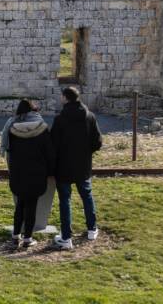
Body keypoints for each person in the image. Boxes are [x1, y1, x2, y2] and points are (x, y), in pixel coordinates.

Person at [51, 87, 103, 250]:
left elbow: (53, 144)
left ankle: (66, 237)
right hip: (83, 164)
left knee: (65, 200)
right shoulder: (89, 116)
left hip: (64, 166)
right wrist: (86, 152)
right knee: (86, 196)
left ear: (65, 98)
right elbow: (97, 142)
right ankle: (91, 229)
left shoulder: (60, 119)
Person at [0, 99, 55, 249]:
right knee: (32, 206)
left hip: (18, 171)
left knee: (20, 206)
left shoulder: (11, 126)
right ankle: (28, 238)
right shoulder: (42, 127)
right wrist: (51, 170)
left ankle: (15, 236)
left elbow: (9, 151)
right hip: (37, 171)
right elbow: (49, 152)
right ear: (34, 110)